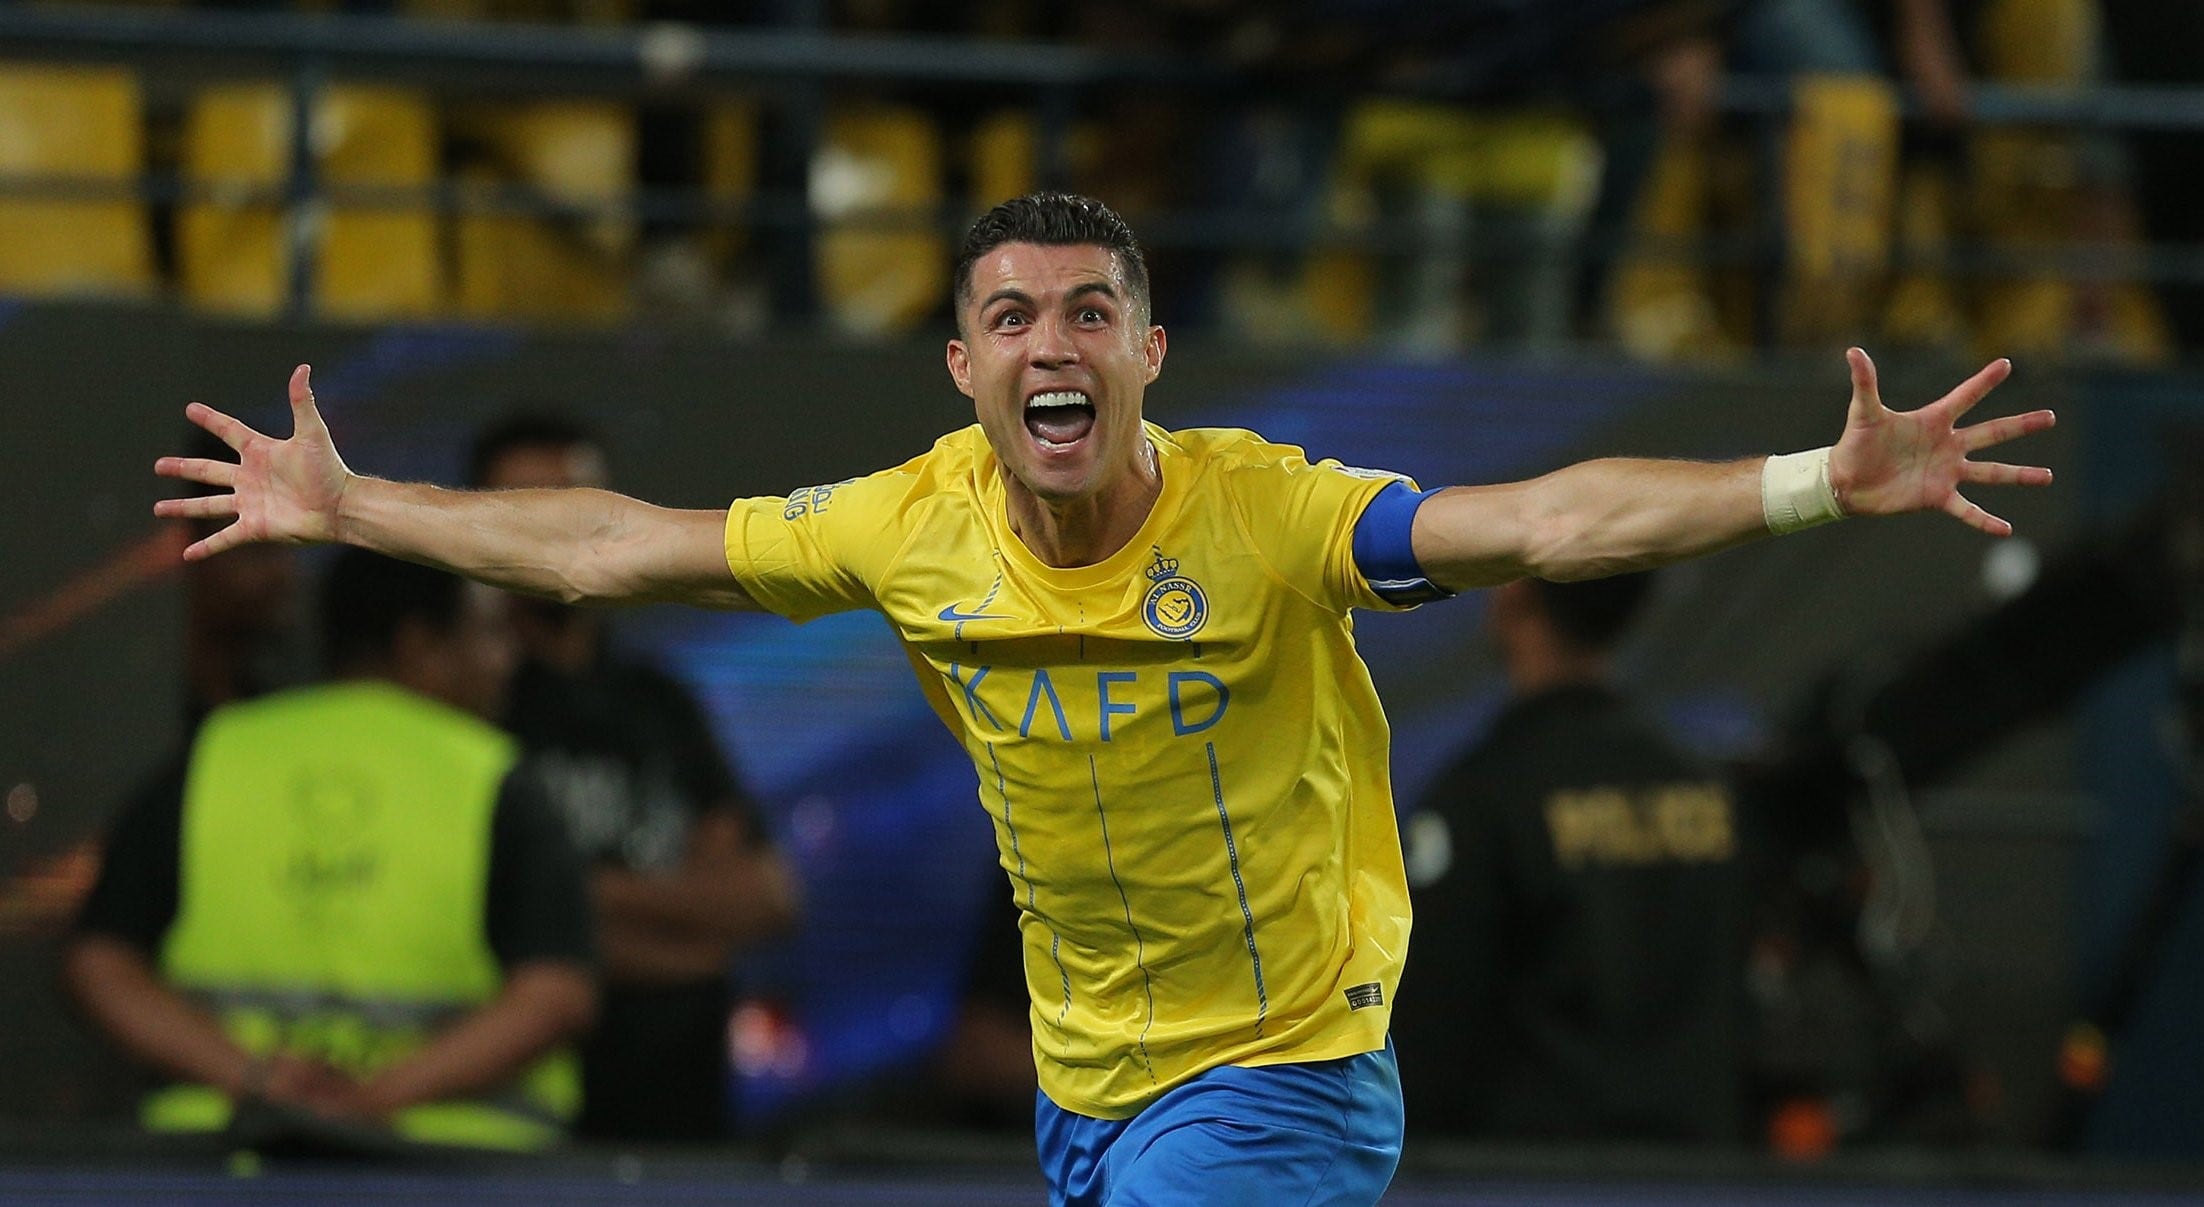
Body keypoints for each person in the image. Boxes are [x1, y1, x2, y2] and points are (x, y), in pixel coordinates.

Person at [154, 193, 2053, 1204]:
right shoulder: (903, 524)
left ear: (1144, 350)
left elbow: (1547, 519)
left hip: (1281, 1072)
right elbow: (607, 549)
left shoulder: (1269, 513)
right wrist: (353, 503)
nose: (1047, 343)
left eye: (1085, 313)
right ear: (961, 362)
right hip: (1088, 1090)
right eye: (1008, 315)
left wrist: (1815, 480)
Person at [63, 549, 597, 1153]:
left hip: (223, 1162)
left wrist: (256, 1079)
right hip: (445, 1170)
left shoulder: (218, 755)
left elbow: (100, 966)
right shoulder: (496, 776)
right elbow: (555, 994)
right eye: (491, 634)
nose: (508, 662)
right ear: (418, 644)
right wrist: (371, 1099)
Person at [467, 414, 799, 1143]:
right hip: (518, 1119)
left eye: (572, 501)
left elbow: (764, 896)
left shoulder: (659, 701)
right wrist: (685, 937)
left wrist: (580, 896)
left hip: (682, 1113)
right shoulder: (470, 702)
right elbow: (475, 923)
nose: (552, 528)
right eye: (524, 507)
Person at [1393, 572, 1747, 1145]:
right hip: (1699, 1166)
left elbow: (1435, 1022)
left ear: (1513, 596)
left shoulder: (1481, 800)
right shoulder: (1708, 788)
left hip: (1535, 1174)